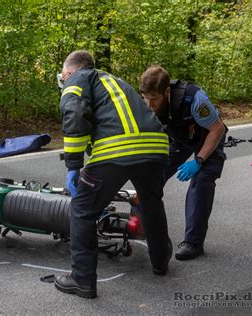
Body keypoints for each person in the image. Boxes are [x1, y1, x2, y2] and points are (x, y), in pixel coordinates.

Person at [54, 51, 172, 299]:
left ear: (69, 72)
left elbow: (75, 114)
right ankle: (160, 262)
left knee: (83, 210)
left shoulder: (77, 79)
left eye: (63, 77)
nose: (63, 81)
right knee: (151, 203)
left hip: (118, 150)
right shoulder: (113, 81)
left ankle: (82, 280)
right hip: (156, 147)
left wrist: (73, 166)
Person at [139, 66, 226, 261]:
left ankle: (193, 242)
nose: (149, 104)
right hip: (180, 139)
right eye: (146, 98)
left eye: (155, 98)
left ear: (167, 92)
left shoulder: (194, 98)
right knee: (151, 178)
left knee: (201, 181)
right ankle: (137, 226)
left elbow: (217, 129)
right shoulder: (144, 103)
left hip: (207, 136)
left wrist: (199, 160)